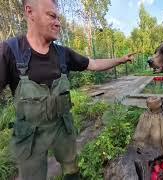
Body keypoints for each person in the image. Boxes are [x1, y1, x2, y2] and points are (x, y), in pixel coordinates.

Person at [0, 0, 135, 179]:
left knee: (72, 169)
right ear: (30, 12)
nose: (58, 22)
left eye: (59, 18)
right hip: (29, 135)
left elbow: (92, 64)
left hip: (61, 127)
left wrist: (120, 60)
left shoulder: (62, 53)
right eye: (52, 16)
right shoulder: (10, 51)